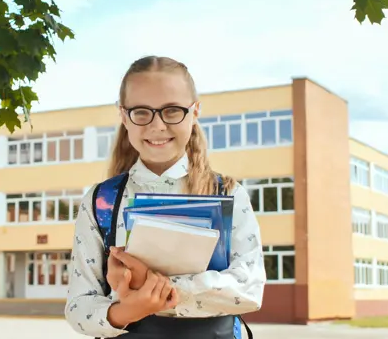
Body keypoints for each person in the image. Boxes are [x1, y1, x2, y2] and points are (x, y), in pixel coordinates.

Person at [64, 55, 266, 339]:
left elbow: (249, 287)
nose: (157, 125)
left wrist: (155, 286)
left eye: (172, 111)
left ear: (195, 111)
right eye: (142, 112)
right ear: (124, 115)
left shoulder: (229, 193)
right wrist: (127, 311)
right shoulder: (102, 201)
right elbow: (78, 306)